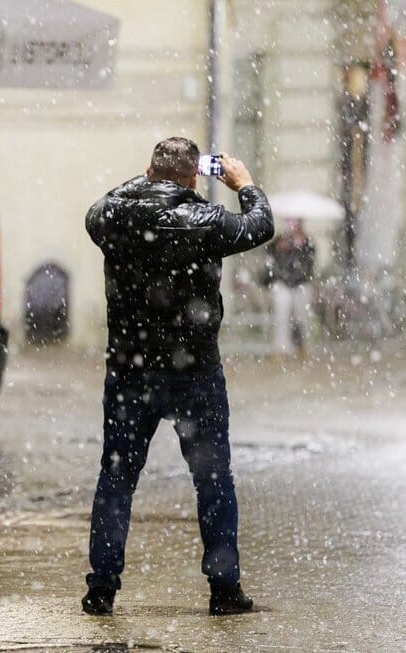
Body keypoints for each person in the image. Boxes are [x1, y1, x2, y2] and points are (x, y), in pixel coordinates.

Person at [82, 137, 274, 616]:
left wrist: (147, 182)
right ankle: (224, 590)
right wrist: (244, 184)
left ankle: (101, 589)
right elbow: (260, 225)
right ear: (195, 177)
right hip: (195, 372)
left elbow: (99, 206)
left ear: (149, 170)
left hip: (130, 371)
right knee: (212, 480)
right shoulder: (204, 219)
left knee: (117, 479)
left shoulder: (115, 216)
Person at [266, 218, 315, 359]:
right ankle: (280, 349)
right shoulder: (279, 242)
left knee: (301, 317)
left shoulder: (307, 241)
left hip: (300, 284)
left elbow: (310, 263)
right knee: (281, 316)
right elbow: (271, 260)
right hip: (282, 283)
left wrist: (302, 246)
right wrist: (280, 248)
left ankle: (302, 346)